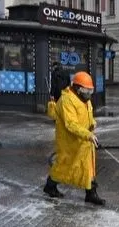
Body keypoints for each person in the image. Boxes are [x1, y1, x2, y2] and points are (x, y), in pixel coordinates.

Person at [43, 71, 106, 206]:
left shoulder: (84, 99)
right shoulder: (67, 100)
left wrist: (92, 123)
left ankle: (90, 193)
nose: (89, 94)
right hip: (69, 140)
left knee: (87, 166)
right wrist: (88, 134)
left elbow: (87, 115)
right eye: (87, 91)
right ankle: (50, 186)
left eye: (91, 91)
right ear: (77, 88)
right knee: (65, 165)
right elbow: (71, 123)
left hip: (83, 139)